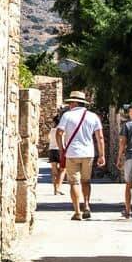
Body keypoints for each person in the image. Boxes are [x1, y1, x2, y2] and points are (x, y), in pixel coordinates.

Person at [52, 91, 104, 220]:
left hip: (72, 153)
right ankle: (86, 205)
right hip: (88, 153)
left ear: (75, 103)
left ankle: (77, 212)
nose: (69, 105)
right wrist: (102, 155)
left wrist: (61, 149)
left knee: (74, 183)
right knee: (86, 181)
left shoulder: (67, 116)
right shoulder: (93, 117)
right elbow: (100, 137)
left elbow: (59, 133)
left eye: (70, 103)